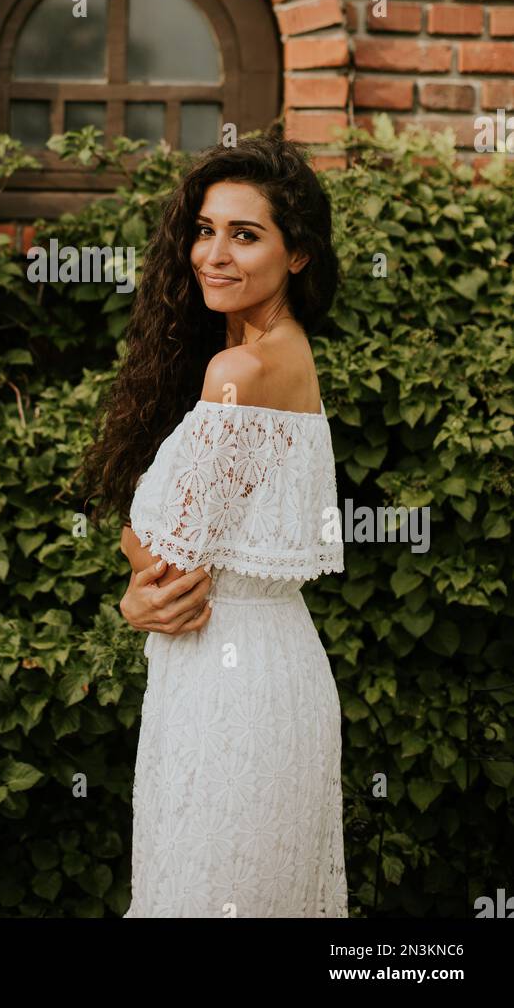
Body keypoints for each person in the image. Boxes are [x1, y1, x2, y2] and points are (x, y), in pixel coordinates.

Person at [83, 132, 348, 918]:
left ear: (297, 254)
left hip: (232, 685)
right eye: (204, 230)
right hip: (256, 664)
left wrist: (137, 587)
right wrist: (144, 581)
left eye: (245, 233)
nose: (214, 254)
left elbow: (168, 558)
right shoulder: (278, 353)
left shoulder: (241, 370)